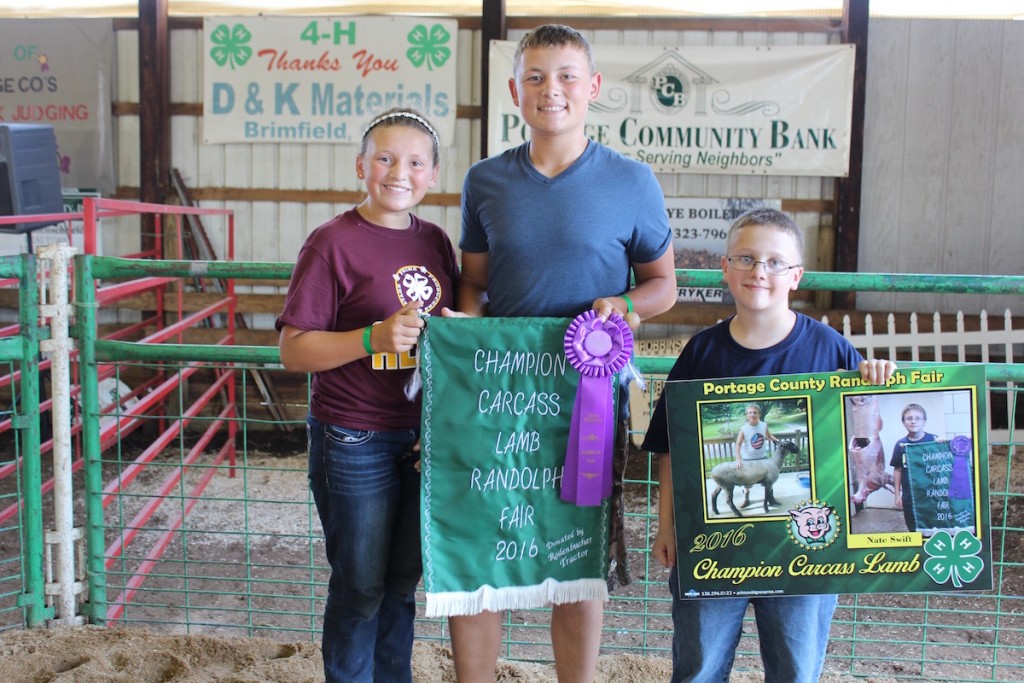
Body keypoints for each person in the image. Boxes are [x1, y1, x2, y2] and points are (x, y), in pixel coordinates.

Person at [448, 23, 677, 683]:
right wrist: (464, 338)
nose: (553, 89)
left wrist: (623, 305)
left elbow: (664, 285)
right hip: (499, 390)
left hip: (589, 396)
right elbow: (473, 283)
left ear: (593, 86)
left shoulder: (632, 180)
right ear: (515, 90)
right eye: (537, 77)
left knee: (577, 558)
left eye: (568, 75)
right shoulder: (485, 180)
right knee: (483, 544)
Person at [641, 207, 896, 683]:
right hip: (715, 549)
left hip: (807, 551)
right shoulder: (700, 352)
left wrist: (878, 377)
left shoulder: (832, 350)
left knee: (796, 668)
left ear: (796, 275)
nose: (759, 271)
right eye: (746, 258)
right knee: (699, 666)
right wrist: (667, 526)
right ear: (725, 268)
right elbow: (672, 447)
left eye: (775, 262)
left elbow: (865, 422)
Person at [275, 108, 459, 683]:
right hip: (354, 434)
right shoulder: (331, 243)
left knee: (401, 584)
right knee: (360, 586)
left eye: (415, 162)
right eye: (384, 158)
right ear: (361, 166)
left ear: (433, 174)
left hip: (423, 437)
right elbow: (293, 350)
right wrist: (369, 338)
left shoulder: (436, 241)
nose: (399, 173)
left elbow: (445, 332)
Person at [889, 403, 938, 532]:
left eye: (917, 418)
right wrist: (897, 495)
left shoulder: (935, 441)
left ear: (924, 421)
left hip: (932, 496)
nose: (913, 421)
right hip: (910, 497)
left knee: (933, 528)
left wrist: (944, 445)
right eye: (909, 418)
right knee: (913, 527)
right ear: (903, 422)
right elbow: (897, 470)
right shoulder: (900, 445)